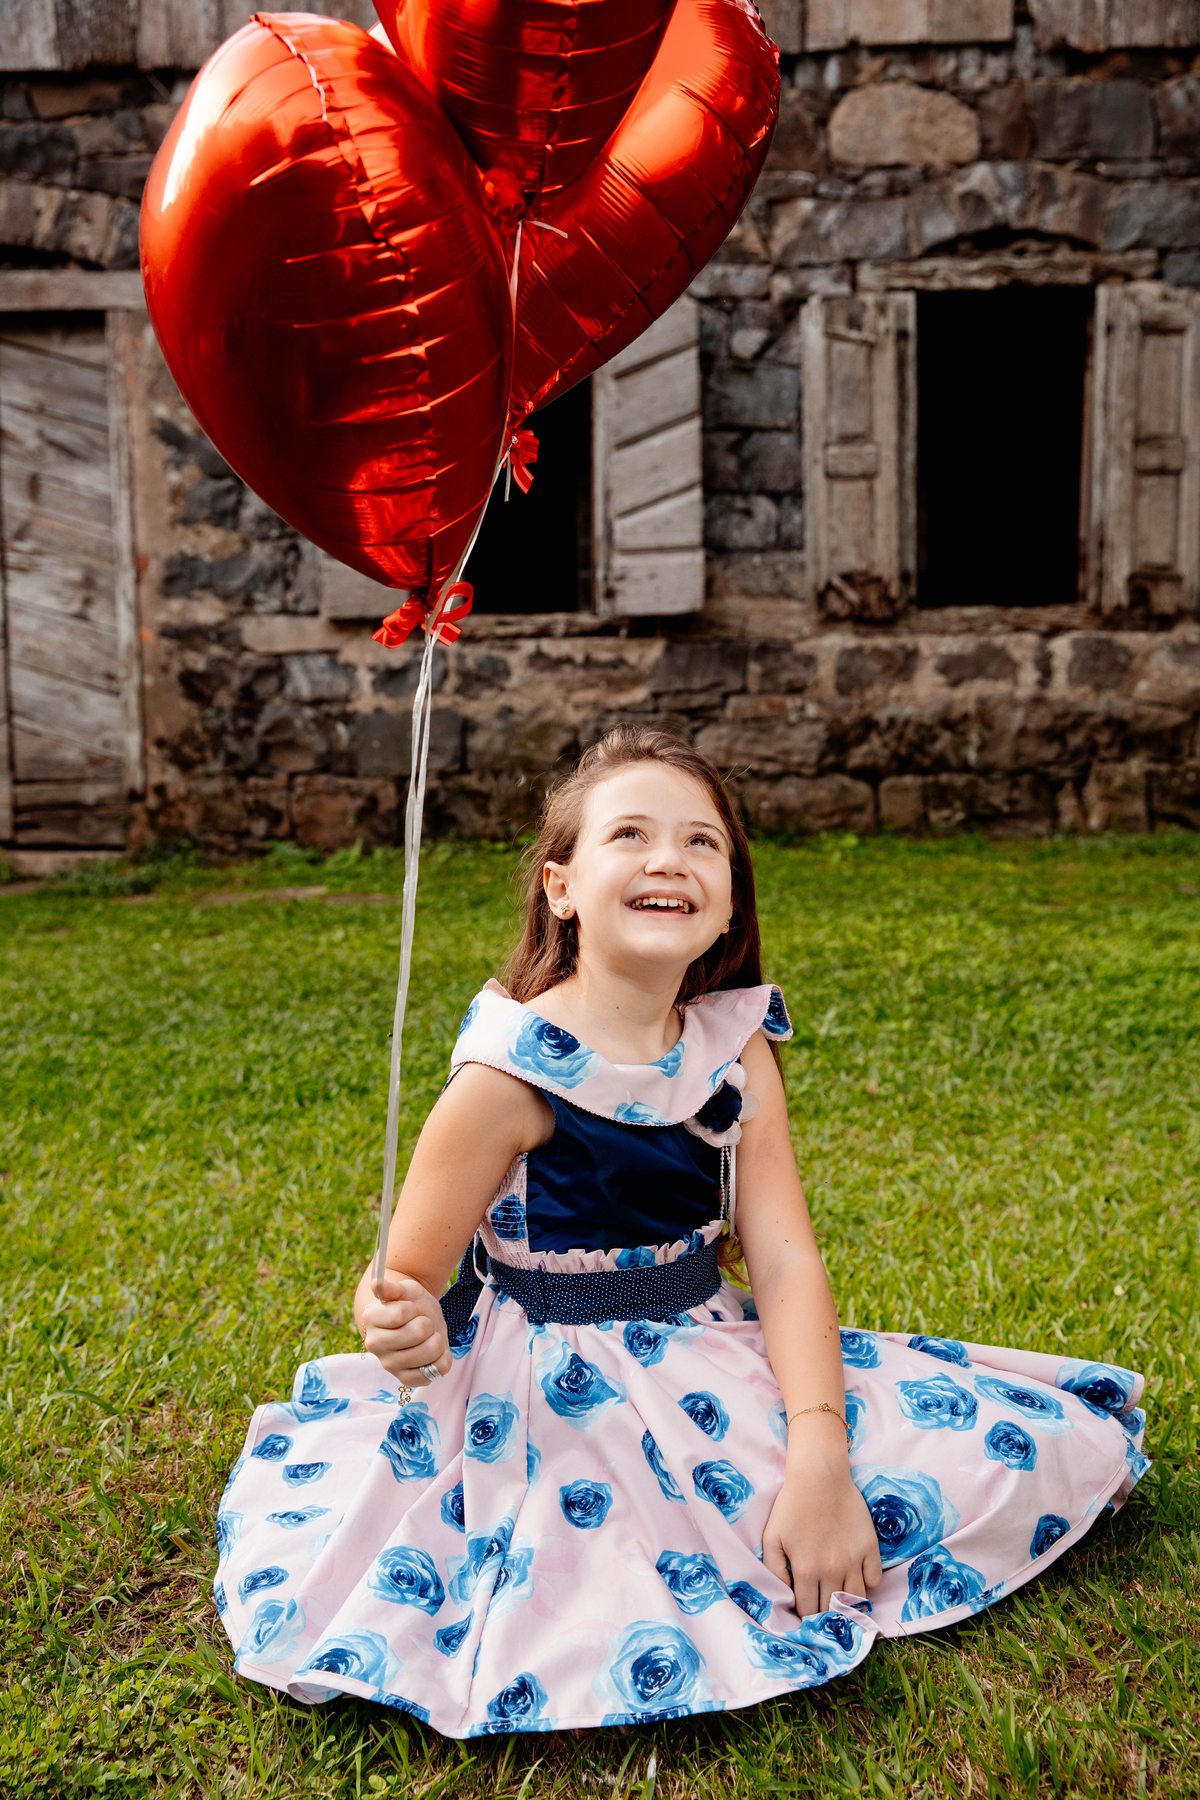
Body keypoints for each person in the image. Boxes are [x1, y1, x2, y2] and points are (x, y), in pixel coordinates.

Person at [214, 726, 1149, 1736]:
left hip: (712, 1353)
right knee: (600, 1580)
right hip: (546, 1397)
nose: (670, 859)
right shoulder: (509, 1072)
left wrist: (821, 1461)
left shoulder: (733, 1046)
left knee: (1008, 1454)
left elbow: (785, 1262)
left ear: (730, 902)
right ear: (561, 887)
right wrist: (394, 1318)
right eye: (631, 835)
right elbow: (404, 1275)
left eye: (703, 844)